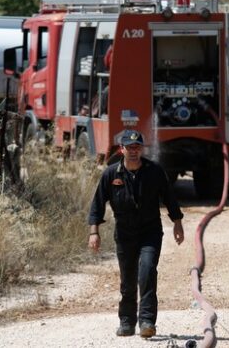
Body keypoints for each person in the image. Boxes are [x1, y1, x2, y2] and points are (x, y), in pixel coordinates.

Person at [87, 129, 184, 338]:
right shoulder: (111, 174)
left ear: (142, 149)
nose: (133, 151)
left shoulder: (154, 171)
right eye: (129, 147)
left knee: (147, 272)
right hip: (124, 233)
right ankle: (127, 321)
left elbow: (169, 198)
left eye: (137, 147)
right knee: (128, 279)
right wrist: (93, 232)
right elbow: (97, 204)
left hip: (150, 231)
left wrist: (177, 223)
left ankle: (147, 321)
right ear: (121, 149)